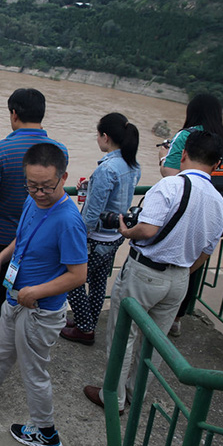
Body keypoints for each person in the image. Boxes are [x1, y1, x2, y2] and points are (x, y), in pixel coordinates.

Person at [0, 143, 87, 446]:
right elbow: (21, 238)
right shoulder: (32, 201)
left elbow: (79, 275)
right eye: (32, 185)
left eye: (46, 187)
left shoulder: (68, 220)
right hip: (15, 299)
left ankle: (46, 432)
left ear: (63, 177)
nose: (39, 192)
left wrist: (36, 291)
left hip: (40, 311)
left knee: (34, 373)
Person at [84, 130, 223, 415]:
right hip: (180, 279)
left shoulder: (170, 186)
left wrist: (126, 231)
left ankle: (113, 396)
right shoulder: (219, 202)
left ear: (183, 154)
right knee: (155, 343)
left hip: (145, 273)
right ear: (217, 164)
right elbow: (206, 252)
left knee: (124, 336)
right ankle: (136, 395)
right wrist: (183, 271)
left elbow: (147, 229)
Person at [0, 88, 68, 362]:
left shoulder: (0, 149)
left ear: (14, 114)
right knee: (29, 292)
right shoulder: (58, 151)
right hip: (41, 238)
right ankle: (21, 346)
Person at [159, 93, 223, 337]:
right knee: (194, 261)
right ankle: (177, 318)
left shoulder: (189, 135)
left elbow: (170, 172)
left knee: (169, 257)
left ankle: (156, 312)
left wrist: (163, 155)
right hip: (214, 209)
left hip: (186, 206)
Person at [61, 113, 141, 346]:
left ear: (105, 137)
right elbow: (115, 197)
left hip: (96, 237)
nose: (97, 139)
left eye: (97, 135)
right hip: (115, 235)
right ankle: (88, 321)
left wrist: (78, 236)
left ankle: (85, 329)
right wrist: (90, 186)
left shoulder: (107, 169)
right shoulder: (131, 165)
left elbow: (92, 213)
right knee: (97, 280)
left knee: (70, 277)